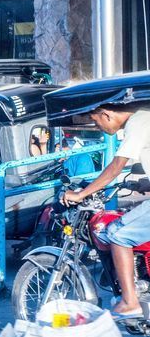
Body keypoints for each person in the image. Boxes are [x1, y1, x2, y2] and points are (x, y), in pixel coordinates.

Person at [62, 103, 150, 319]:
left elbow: (117, 165)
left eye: (95, 120)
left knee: (116, 234)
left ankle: (130, 302)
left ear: (106, 114)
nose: (97, 126)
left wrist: (81, 194)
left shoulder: (138, 121)